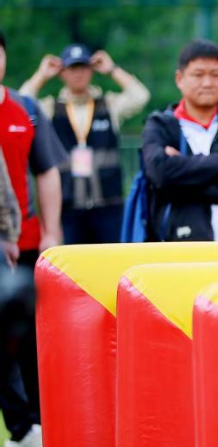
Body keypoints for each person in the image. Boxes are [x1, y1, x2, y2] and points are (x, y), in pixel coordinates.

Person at [0, 30, 68, 447]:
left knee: (26, 340)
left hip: (19, 243)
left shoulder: (25, 108)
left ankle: (34, 427)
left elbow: (46, 171)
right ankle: (22, 426)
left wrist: (51, 230)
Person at [20, 44, 150, 244]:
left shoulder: (109, 105)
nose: (78, 74)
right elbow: (21, 104)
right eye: (72, 68)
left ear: (91, 70)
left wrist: (112, 70)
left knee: (110, 260)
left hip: (108, 204)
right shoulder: (51, 108)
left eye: (83, 67)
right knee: (72, 262)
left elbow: (140, 96)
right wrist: (42, 76)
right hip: (68, 205)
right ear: (62, 72)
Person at [141, 40, 218, 242]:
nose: (207, 83)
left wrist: (181, 181)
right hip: (176, 246)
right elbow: (159, 174)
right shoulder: (161, 125)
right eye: (198, 75)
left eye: (215, 75)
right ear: (179, 79)